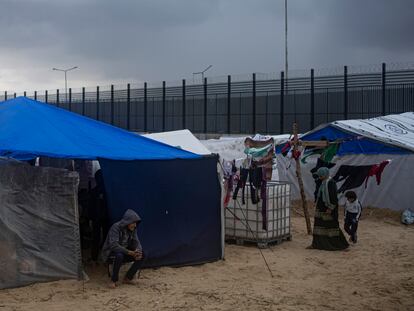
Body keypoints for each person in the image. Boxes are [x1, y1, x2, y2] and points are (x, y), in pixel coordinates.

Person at [309, 167, 349, 250]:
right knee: (319, 226)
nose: (319, 177)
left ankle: (341, 245)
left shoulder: (331, 183)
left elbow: (333, 197)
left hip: (328, 209)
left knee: (332, 226)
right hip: (321, 209)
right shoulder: (323, 182)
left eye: (321, 176)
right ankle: (317, 244)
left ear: (325, 175)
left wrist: (330, 208)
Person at [101, 209, 144, 288]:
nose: (135, 225)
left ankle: (128, 278)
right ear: (128, 221)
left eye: (135, 223)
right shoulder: (115, 227)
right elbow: (114, 246)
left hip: (125, 252)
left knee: (143, 254)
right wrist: (130, 252)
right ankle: (113, 280)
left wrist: (138, 251)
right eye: (133, 222)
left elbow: (137, 242)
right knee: (119, 255)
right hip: (111, 253)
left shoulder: (133, 229)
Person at [88, 169, 110, 263]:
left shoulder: (94, 191)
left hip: (97, 218)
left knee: (96, 238)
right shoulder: (109, 190)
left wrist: (90, 217)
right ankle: (105, 258)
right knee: (105, 237)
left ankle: (94, 258)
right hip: (106, 217)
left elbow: (90, 206)